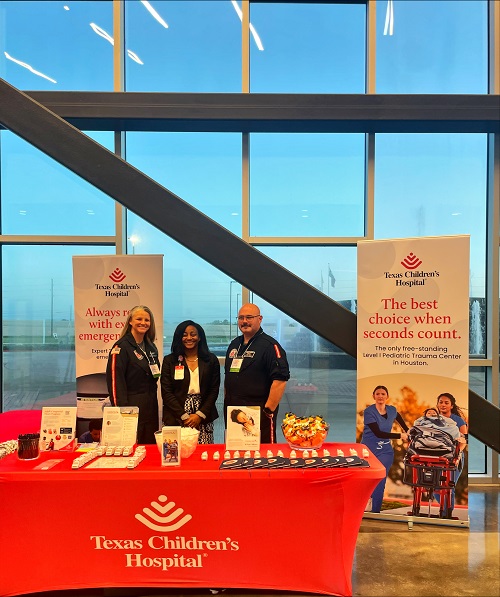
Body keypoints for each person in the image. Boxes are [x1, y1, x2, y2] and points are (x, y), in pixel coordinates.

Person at [224, 303, 290, 444]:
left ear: (259, 319)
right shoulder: (235, 344)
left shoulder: (270, 346)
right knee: (236, 449)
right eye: (241, 318)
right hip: (233, 412)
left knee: (263, 451)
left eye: (249, 317)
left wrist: (268, 410)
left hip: (259, 411)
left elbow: (280, 380)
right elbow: (228, 376)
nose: (244, 321)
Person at [106, 305, 161, 445]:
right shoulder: (121, 347)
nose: (143, 323)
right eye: (139, 319)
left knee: (150, 446)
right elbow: (115, 383)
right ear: (130, 321)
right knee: (132, 447)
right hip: (130, 406)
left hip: (151, 406)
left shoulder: (151, 347)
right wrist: (122, 412)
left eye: (147, 320)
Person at [161, 320, 220, 444]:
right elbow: (166, 392)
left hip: (203, 414)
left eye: (193, 334)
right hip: (176, 415)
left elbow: (214, 390)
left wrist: (199, 415)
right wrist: (184, 416)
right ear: (179, 337)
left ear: (199, 337)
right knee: (174, 451)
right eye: (184, 335)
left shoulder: (211, 360)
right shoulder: (170, 360)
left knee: (203, 453)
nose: (189, 338)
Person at [361, 385, 409, 513]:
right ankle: (366, 501)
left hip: (385, 451)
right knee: (368, 479)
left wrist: (408, 430)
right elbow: (378, 433)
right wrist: (400, 436)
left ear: (387, 396)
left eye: (383, 394)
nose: (380, 396)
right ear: (373, 396)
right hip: (368, 450)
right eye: (378, 394)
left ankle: (375, 511)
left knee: (381, 478)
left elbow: (399, 419)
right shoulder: (369, 412)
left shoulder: (392, 410)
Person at [436, 393, 468, 508]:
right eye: (441, 402)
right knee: (435, 486)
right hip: (438, 457)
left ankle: (446, 512)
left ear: (451, 406)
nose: (443, 405)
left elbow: (464, 440)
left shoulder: (458, 420)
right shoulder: (433, 419)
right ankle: (444, 509)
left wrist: (456, 454)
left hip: (455, 456)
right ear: (437, 404)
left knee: (448, 485)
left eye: (446, 403)